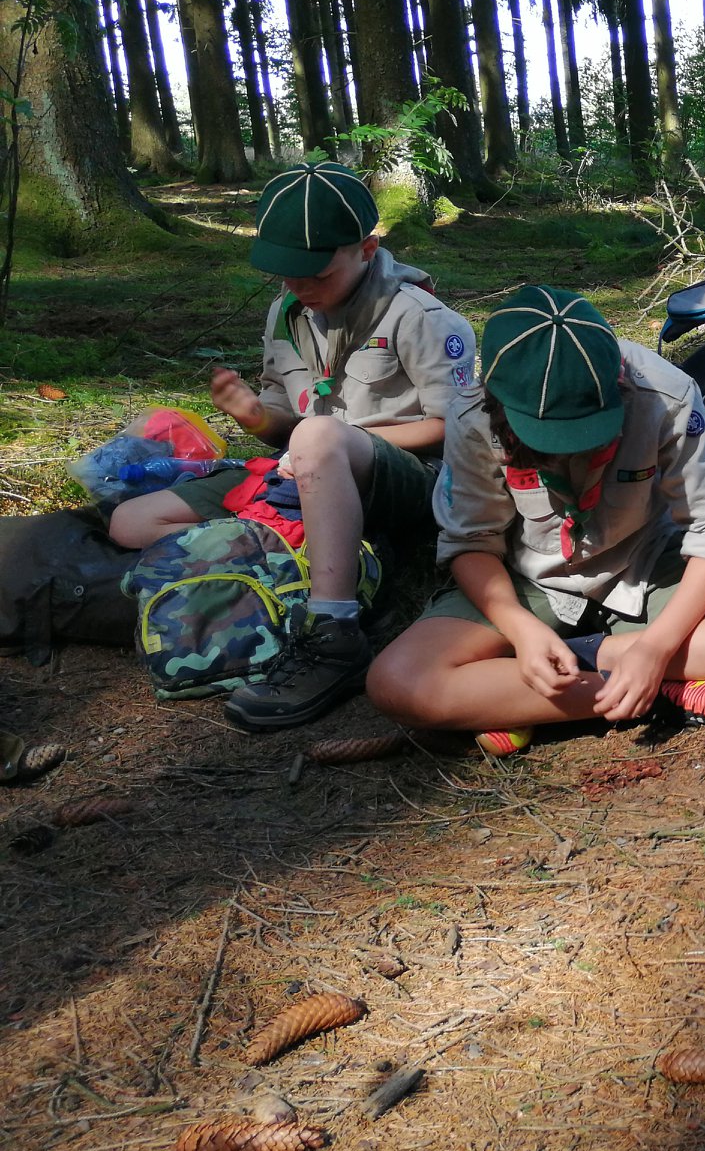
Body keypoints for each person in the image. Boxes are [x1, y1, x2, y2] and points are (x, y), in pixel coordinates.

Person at [366, 285, 705, 755]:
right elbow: (472, 541)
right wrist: (520, 629)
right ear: (499, 406)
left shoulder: (663, 395)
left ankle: (527, 693)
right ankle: (659, 687)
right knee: (399, 682)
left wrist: (656, 648)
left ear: (618, 387)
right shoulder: (471, 415)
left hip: (645, 565)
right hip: (527, 581)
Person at [109, 162, 475, 731]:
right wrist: (258, 417)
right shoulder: (287, 312)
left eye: (315, 273)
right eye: (286, 274)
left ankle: (334, 631)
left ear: (366, 248)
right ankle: (285, 559)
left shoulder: (419, 317)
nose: (300, 287)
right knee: (130, 524)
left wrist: (326, 440)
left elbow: (454, 428)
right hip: (303, 468)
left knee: (320, 435)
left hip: (407, 478)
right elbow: (288, 417)